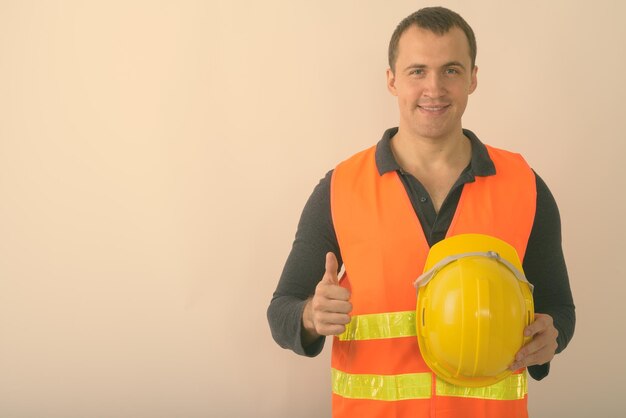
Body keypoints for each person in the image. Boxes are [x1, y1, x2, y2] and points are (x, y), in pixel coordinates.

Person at [267, 6, 575, 418]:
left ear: (473, 78)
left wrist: (551, 336)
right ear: (392, 80)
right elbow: (281, 310)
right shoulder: (340, 188)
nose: (434, 88)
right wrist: (310, 315)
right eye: (417, 71)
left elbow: (560, 310)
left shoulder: (524, 186)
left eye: (450, 70)